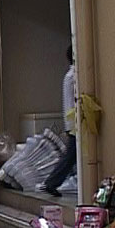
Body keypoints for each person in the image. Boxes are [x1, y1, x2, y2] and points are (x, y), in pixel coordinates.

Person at [42, 45, 77, 197]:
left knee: (72, 155)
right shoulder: (74, 76)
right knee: (71, 155)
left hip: (71, 120)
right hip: (75, 121)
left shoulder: (69, 75)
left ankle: (52, 182)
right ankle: (52, 182)